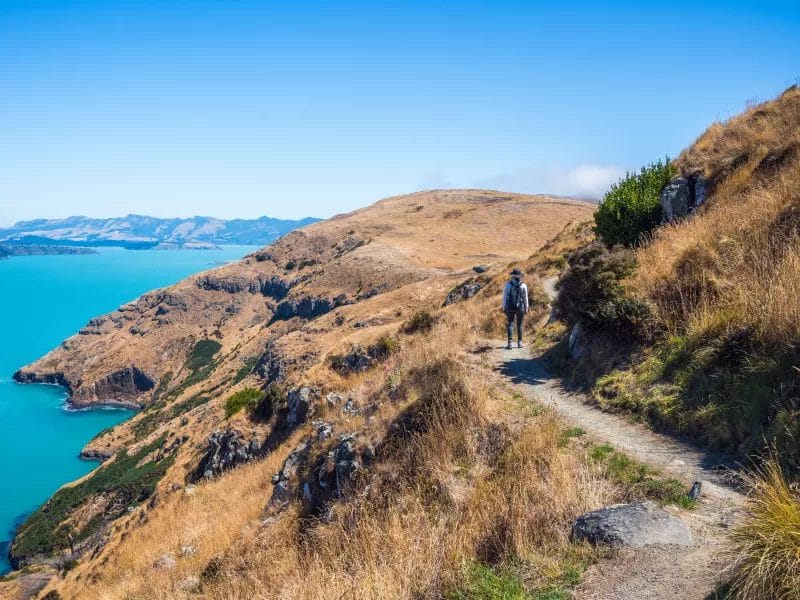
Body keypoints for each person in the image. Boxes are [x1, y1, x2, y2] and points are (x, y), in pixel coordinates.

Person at [502, 268, 529, 349]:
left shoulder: (508, 285)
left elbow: (505, 297)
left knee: (510, 323)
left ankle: (510, 343)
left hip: (510, 307)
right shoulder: (523, 285)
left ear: (513, 276)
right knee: (519, 325)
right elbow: (525, 298)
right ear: (520, 276)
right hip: (521, 307)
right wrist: (526, 307)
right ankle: (519, 343)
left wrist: (504, 307)